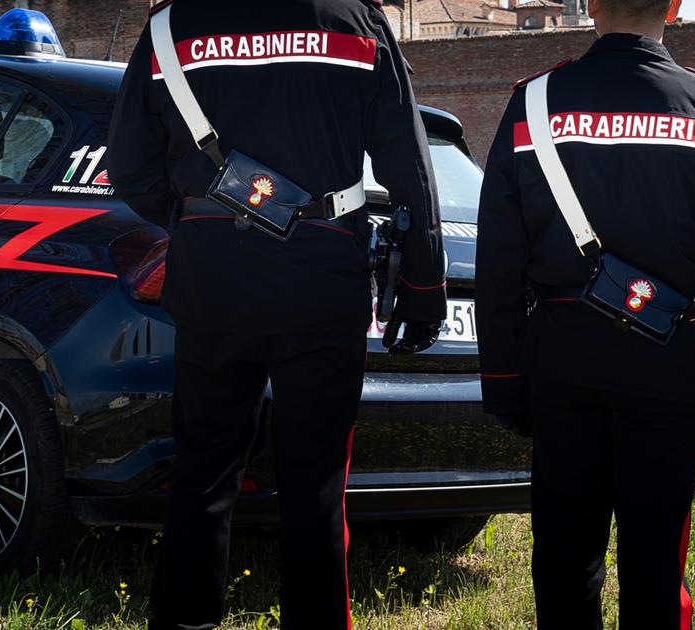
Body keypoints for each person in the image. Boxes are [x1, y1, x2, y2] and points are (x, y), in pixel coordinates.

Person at [106, 0, 446, 627]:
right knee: (316, 480)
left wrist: (199, 223)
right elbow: (408, 162)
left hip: (214, 284)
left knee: (202, 470)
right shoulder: (355, 22)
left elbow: (128, 164)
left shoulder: (168, 27)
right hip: (321, 279)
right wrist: (424, 284)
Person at [476, 0, 695, 627]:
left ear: (589, 4)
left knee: (563, 558)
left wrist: (503, 379)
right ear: (674, 6)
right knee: (658, 565)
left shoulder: (532, 105)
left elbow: (498, 256)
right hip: (671, 365)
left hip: (561, 365)